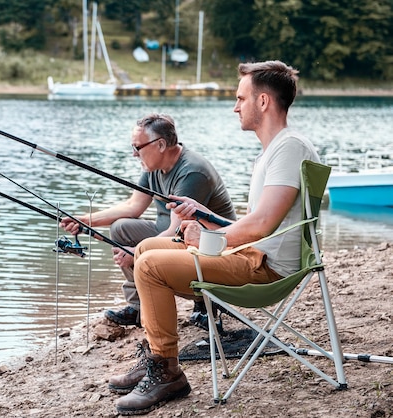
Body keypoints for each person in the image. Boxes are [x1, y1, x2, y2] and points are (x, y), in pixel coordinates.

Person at [111, 60, 321, 415]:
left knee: (148, 266)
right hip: (253, 254)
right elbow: (258, 222)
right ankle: (154, 356)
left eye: (241, 98)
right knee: (146, 246)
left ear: (264, 102)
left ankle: (167, 372)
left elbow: (263, 225)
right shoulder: (273, 151)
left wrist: (212, 238)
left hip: (265, 267)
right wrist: (206, 219)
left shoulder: (289, 148)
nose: (235, 106)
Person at [59, 113, 236, 327]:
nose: (134, 154)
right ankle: (138, 308)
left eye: (137, 147)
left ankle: (203, 299)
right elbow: (132, 207)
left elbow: (175, 230)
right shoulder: (154, 167)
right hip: (176, 238)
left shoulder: (192, 172)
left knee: (131, 247)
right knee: (121, 228)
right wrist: (85, 221)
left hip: (210, 250)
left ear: (160, 145)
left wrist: (136, 253)